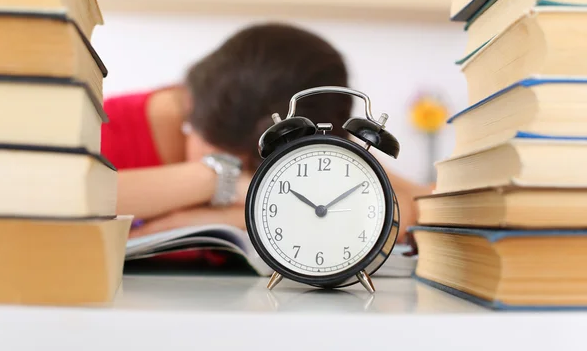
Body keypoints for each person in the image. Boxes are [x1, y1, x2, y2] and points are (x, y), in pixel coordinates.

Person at [101, 23, 432, 249]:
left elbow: (419, 205)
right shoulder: (103, 126)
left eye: (253, 167)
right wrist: (215, 178)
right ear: (190, 104)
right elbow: (63, 199)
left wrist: (236, 215)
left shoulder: (305, 137)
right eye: (226, 156)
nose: (245, 171)